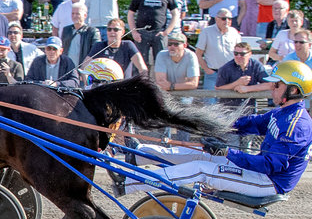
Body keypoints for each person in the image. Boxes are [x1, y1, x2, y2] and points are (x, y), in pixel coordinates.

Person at [113, 60, 312, 198]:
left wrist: (227, 152)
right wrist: (215, 125)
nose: (271, 88)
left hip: (268, 183)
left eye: (276, 85)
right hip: (259, 173)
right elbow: (252, 123)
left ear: (293, 90)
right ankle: (139, 155)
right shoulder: (282, 113)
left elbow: (269, 165)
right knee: (200, 152)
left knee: (202, 169)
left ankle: (129, 182)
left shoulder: (298, 126)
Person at [154, 31, 199, 141]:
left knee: (184, 124)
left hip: (184, 96)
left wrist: (172, 86)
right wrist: (180, 86)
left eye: (176, 44)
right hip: (166, 96)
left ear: (184, 45)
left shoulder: (191, 56)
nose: (172, 47)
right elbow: (160, 82)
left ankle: (182, 150)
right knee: (163, 124)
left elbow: (193, 83)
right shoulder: (161, 55)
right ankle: (163, 150)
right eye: (170, 44)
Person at [127, 0, 179, 67]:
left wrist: (167, 31)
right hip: (142, 33)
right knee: (140, 65)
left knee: (162, 64)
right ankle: (140, 81)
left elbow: (175, 13)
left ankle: (160, 81)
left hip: (159, 33)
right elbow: (130, 13)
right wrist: (134, 32)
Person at [83, 18, 147, 78]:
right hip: (104, 86)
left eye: (116, 29)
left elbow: (142, 68)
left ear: (123, 32)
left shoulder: (128, 45)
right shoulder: (99, 46)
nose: (112, 32)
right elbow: (84, 66)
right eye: (109, 29)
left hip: (123, 85)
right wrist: (87, 82)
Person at [196, 9, 241, 92]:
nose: (227, 21)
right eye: (224, 18)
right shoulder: (206, 32)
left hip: (231, 73)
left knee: (230, 103)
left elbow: (240, 53)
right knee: (210, 103)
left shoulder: (234, 32)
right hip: (213, 73)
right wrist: (207, 70)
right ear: (216, 19)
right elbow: (198, 54)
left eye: (229, 19)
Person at [60, 3, 100, 69]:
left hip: (84, 69)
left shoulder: (92, 32)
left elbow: (96, 52)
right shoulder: (66, 30)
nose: (74, 16)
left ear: (85, 15)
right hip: (67, 68)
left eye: (77, 14)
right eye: (72, 13)